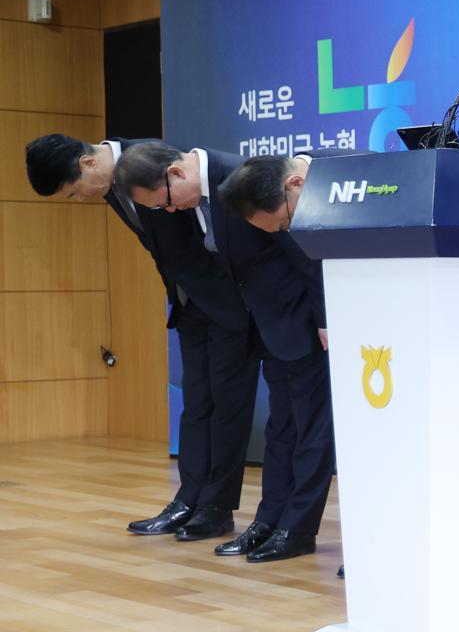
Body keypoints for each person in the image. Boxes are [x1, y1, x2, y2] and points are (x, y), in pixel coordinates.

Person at [24, 134, 255, 541]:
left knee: (226, 407)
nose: (80, 199)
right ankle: (189, 500)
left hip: (227, 304)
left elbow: (212, 230)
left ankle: (217, 507)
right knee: (197, 405)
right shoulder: (110, 184)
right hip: (190, 305)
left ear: (87, 163)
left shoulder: (148, 160)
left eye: (75, 191)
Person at [117, 144, 336, 564]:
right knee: (280, 430)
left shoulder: (243, 176)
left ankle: (297, 528)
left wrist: (324, 319)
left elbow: (303, 254)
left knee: (309, 431)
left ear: (177, 174)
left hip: (300, 323)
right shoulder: (193, 196)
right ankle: (268, 520)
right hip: (263, 324)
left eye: (163, 201)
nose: (166, 211)